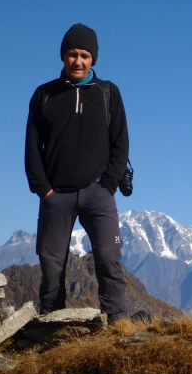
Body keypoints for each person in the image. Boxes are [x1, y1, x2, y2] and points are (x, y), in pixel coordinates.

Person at [24, 23, 129, 322]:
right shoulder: (44, 95)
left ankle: (118, 323)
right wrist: (44, 190)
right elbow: (32, 148)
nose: (78, 61)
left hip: (99, 195)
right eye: (72, 54)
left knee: (110, 257)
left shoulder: (109, 93)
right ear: (63, 56)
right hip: (56, 195)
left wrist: (107, 185)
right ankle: (51, 325)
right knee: (51, 263)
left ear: (93, 59)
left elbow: (121, 143)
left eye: (84, 55)